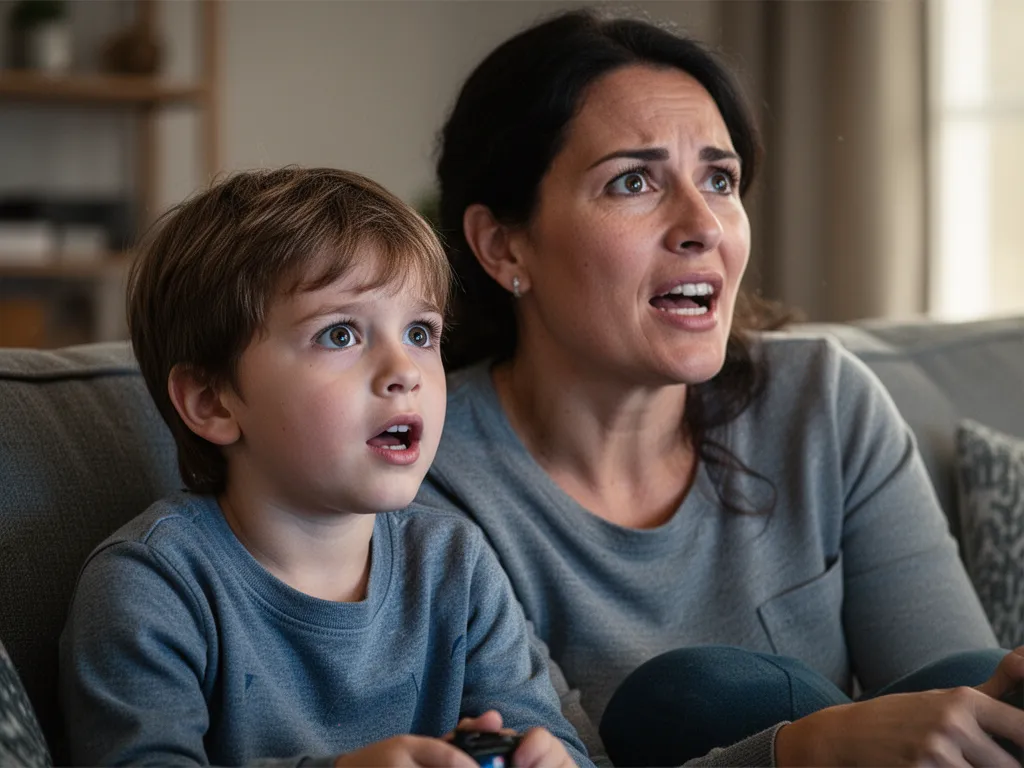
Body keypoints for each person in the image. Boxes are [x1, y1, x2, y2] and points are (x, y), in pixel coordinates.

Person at [416, 8, 1024, 766]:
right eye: (633, 181)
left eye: (720, 179)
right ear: (503, 244)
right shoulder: (423, 473)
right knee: (705, 692)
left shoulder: (823, 404)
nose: (702, 222)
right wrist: (799, 750)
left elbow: (967, 699)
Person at [58, 168, 591, 768]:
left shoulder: (455, 565)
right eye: (340, 334)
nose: (405, 370)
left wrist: (546, 758)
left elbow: (554, 739)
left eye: (421, 332)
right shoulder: (153, 584)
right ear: (212, 401)